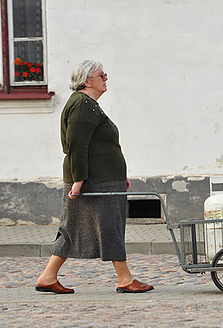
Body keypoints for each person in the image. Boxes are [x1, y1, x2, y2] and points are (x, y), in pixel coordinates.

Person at [36, 60, 153, 294]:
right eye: (102, 75)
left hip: (103, 178)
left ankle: (48, 277)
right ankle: (125, 278)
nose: (106, 78)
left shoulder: (88, 104)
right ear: (86, 81)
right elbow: (77, 146)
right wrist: (79, 181)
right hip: (94, 181)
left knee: (76, 229)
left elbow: (97, 145)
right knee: (106, 228)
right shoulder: (82, 105)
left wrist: (120, 175)